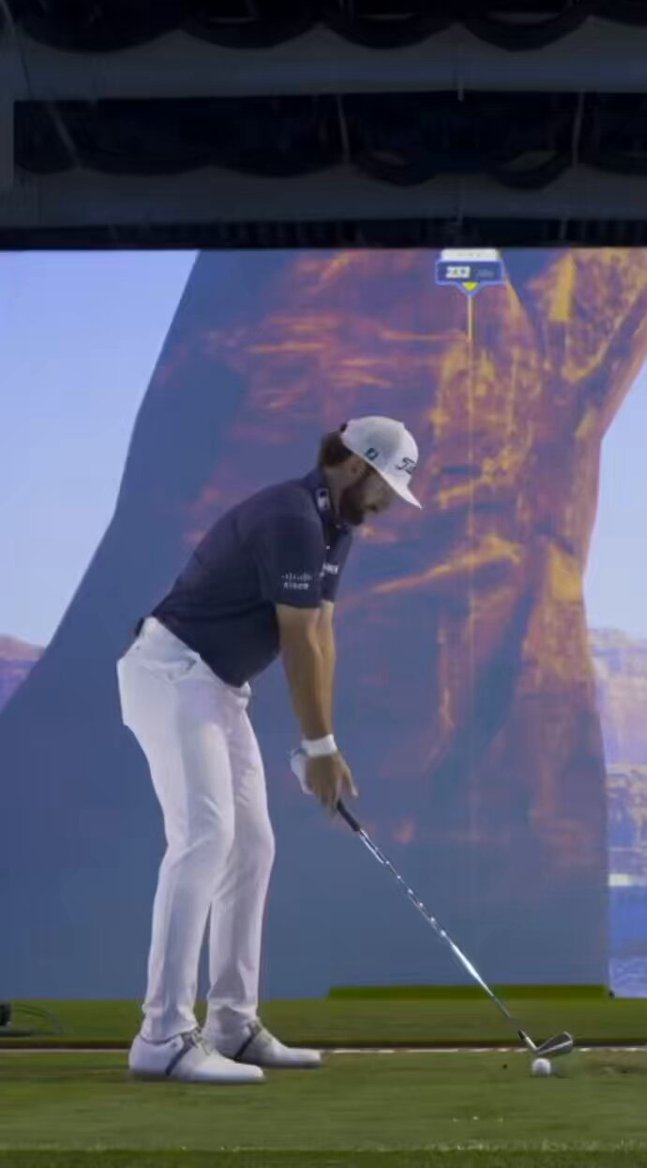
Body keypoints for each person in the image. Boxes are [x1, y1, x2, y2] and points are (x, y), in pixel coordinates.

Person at [116, 415, 422, 1084]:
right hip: (171, 673)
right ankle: (161, 1036)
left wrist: (324, 745)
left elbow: (323, 632)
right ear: (355, 466)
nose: (388, 504)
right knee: (205, 836)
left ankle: (231, 1024)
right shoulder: (292, 518)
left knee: (252, 846)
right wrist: (316, 746)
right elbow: (297, 640)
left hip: (218, 687)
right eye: (385, 487)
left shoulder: (336, 528)